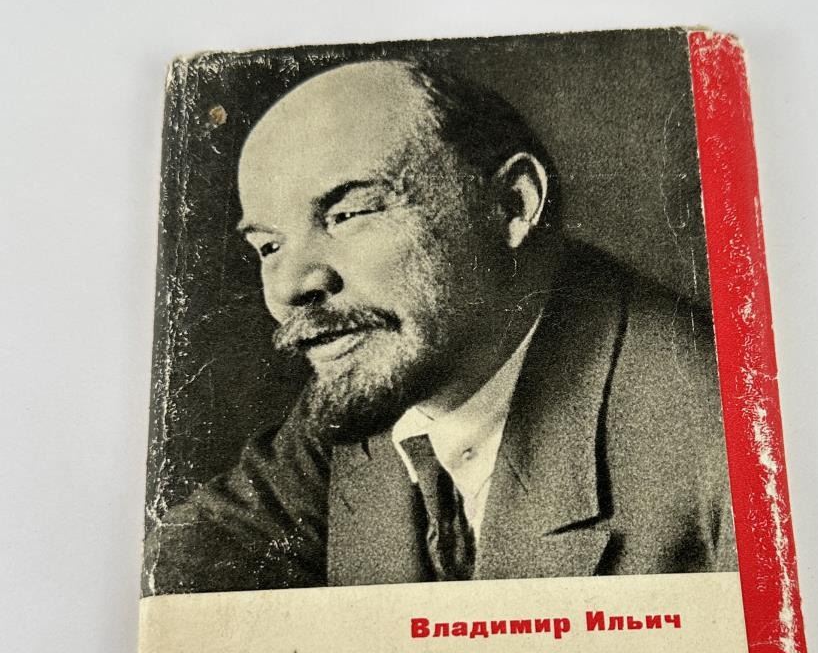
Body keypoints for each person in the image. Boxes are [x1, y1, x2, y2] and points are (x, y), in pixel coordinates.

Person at [143, 59, 736, 595]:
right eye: (269, 246)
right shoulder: (378, 377)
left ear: (512, 204)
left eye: (348, 214)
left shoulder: (725, 445)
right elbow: (189, 562)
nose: (291, 286)